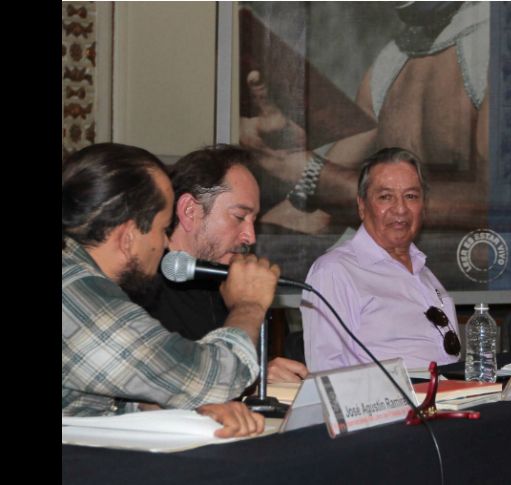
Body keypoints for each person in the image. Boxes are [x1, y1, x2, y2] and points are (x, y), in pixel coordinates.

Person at [62, 143, 279, 438]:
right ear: (127, 237)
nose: (165, 244)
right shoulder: (77, 293)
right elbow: (211, 382)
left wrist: (157, 406)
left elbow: (84, 400)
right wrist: (248, 306)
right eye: (163, 230)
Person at [239, 1, 489, 234]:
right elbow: (314, 210)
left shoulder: (499, 51)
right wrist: (281, 155)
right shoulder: (389, 64)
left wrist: (311, 172)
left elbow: (494, 203)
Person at [141, 144, 309, 383]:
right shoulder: (142, 288)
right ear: (189, 211)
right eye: (239, 217)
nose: (250, 236)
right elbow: (168, 383)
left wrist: (267, 375)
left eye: (253, 221)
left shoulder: (233, 283)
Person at [300, 147, 461, 372]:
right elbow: (326, 373)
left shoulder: (422, 271)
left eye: (411, 196)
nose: (401, 209)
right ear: (362, 206)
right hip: (391, 395)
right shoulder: (334, 272)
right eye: (386, 197)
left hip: (451, 390)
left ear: (423, 206)